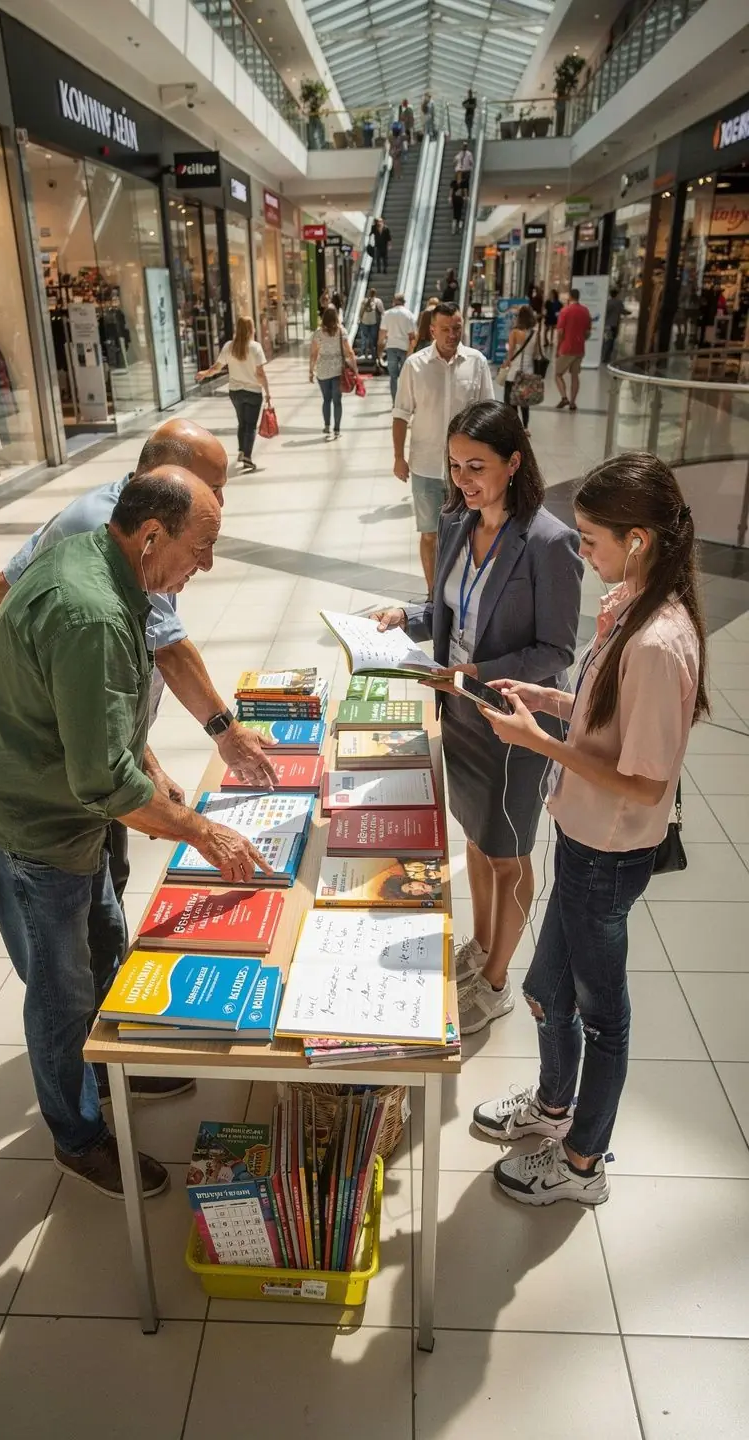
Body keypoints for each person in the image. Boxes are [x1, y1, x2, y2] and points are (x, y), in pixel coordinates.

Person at [0, 469, 275, 1199]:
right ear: (152, 535)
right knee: (58, 989)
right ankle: (78, 1136)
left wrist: (148, 768)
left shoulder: (103, 559)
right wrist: (204, 834)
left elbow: (101, 714)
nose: (206, 566)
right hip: (22, 829)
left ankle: (117, 1061)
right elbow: (101, 782)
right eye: (202, 546)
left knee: (104, 937)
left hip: (61, 819)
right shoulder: (90, 610)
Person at [471, 453, 707, 1205]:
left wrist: (539, 743)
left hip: (609, 850)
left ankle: (582, 1164)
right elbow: (608, 719)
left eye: (592, 540)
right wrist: (547, 699)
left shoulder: (658, 642)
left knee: (602, 1015)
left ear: (638, 539)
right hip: (581, 834)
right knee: (547, 987)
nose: (581, 553)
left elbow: (644, 778)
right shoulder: (631, 602)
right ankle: (550, 1108)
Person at [374, 401, 581, 1033]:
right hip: (459, 711)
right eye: (455, 465)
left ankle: (496, 982)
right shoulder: (459, 522)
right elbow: (451, 611)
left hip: (513, 721)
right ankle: (483, 945)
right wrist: (405, 617)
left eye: (477, 466)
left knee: (509, 852)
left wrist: (477, 676)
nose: (463, 479)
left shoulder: (549, 542)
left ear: (514, 463)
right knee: (475, 839)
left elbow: (557, 650)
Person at [392, 302, 494, 593]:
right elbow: (400, 413)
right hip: (426, 466)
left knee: (470, 532)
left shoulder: (477, 362)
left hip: (469, 468)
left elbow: (488, 411)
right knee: (429, 534)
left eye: (457, 328)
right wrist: (399, 457)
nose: (452, 334)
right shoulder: (415, 365)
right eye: (446, 329)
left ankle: (463, 590)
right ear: (432, 330)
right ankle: (433, 593)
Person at [195, 316, 271, 472]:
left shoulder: (229, 346)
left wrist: (205, 373)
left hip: (235, 392)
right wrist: (268, 392)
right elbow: (260, 373)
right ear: (251, 329)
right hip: (253, 392)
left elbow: (217, 367)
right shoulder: (255, 347)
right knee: (250, 426)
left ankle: (242, 451)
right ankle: (247, 457)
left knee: (242, 423)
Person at [308, 303, 358, 439]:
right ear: (336, 317)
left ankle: (327, 427)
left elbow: (313, 354)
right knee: (337, 401)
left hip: (322, 370)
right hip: (338, 370)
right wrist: (355, 369)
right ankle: (337, 430)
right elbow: (350, 352)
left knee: (326, 400)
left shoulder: (318, 333)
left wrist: (311, 371)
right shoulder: (341, 331)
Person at [503, 303, 539, 435]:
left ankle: (514, 426)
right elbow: (536, 353)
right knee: (524, 401)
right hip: (528, 371)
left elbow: (511, 352)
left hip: (514, 371)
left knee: (510, 401)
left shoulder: (514, 332)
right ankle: (525, 427)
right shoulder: (535, 334)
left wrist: (506, 363)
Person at [555, 286, 592, 411]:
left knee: (558, 374)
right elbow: (588, 332)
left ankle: (564, 398)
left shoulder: (565, 311)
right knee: (575, 375)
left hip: (567, 347)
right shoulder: (585, 311)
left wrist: (558, 348)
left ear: (570, 297)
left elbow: (560, 332)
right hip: (579, 348)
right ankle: (573, 402)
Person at [379, 292, 417, 402]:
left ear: (394, 302)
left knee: (393, 376)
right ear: (404, 302)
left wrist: (379, 348)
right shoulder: (409, 314)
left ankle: (395, 401)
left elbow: (382, 333)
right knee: (406, 377)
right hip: (405, 348)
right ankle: (405, 400)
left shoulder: (387, 314)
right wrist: (412, 350)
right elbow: (412, 335)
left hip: (391, 346)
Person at [358, 287, 385, 363]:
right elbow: (382, 311)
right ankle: (374, 355)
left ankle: (364, 353)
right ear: (375, 294)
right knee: (373, 339)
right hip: (373, 322)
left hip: (364, 322)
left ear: (368, 293)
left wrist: (360, 319)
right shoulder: (378, 301)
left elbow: (361, 311)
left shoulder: (364, 301)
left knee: (366, 338)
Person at [603, 286, 628, 363]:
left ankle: (605, 356)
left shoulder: (607, 302)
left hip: (607, 325)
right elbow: (623, 311)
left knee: (607, 340)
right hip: (614, 325)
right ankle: (607, 357)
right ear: (617, 294)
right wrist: (629, 313)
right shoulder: (619, 302)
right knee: (611, 341)